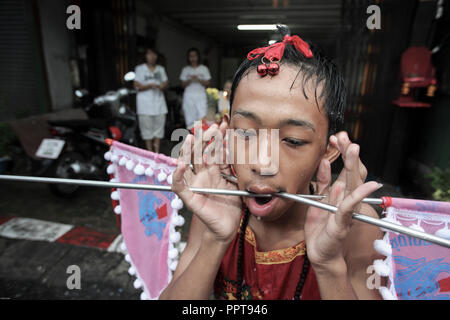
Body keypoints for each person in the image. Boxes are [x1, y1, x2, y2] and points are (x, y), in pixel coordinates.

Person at [160, 26, 384, 300]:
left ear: (329, 150)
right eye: (244, 134)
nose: (261, 163)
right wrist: (214, 241)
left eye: (292, 140)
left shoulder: (354, 223)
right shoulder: (216, 203)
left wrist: (329, 266)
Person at [134, 47, 168, 153]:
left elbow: (165, 83)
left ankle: (156, 151)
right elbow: (136, 85)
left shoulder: (160, 69)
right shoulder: (140, 69)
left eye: (154, 54)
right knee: (146, 129)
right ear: (145, 56)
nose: (152, 57)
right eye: (149, 54)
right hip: (145, 104)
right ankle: (149, 151)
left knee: (159, 127)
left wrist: (161, 86)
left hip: (159, 103)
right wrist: (149, 86)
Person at [179, 48, 211, 129]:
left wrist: (199, 79)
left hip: (201, 96)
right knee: (190, 118)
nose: (193, 58)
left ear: (198, 57)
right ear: (188, 58)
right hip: (189, 96)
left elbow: (208, 83)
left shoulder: (204, 68)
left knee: (202, 118)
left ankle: (200, 139)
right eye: (191, 56)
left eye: (194, 56)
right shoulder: (185, 69)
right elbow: (182, 84)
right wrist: (190, 80)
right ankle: (191, 139)